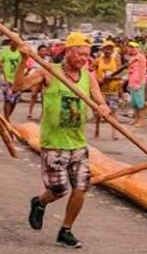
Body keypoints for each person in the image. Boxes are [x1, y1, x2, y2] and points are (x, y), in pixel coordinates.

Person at [14, 32, 110, 248]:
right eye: (80, 54)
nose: (84, 59)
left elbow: (101, 102)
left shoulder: (88, 77)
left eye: (87, 55)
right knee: (58, 189)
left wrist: (103, 107)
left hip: (78, 143)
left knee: (81, 188)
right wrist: (22, 61)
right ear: (68, 52)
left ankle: (65, 231)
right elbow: (17, 87)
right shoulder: (49, 72)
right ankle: (39, 202)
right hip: (54, 143)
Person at [94, 41, 122, 140]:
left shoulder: (116, 60)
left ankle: (114, 133)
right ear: (103, 50)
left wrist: (111, 78)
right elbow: (92, 73)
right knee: (98, 112)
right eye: (106, 49)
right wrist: (99, 80)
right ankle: (97, 129)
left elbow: (120, 75)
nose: (108, 51)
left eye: (110, 49)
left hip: (113, 90)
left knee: (113, 112)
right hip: (101, 90)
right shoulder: (98, 61)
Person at [0, 41, 22, 120]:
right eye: (12, 41)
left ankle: (8, 117)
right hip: (7, 79)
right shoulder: (5, 51)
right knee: (8, 99)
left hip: (17, 79)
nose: (14, 43)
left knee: (14, 100)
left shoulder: (20, 52)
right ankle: (7, 119)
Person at [27, 45, 52, 120]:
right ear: (38, 51)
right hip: (36, 79)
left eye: (45, 50)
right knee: (33, 95)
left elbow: (51, 69)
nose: (44, 52)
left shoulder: (48, 59)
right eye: (42, 50)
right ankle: (30, 112)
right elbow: (29, 68)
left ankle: (43, 114)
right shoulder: (34, 59)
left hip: (45, 79)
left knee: (44, 97)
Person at [127, 41, 147, 126]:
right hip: (132, 82)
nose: (131, 49)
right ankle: (136, 119)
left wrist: (140, 82)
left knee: (140, 103)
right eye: (130, 47)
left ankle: (142, 120)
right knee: (134, 103)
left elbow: (142, 71)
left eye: (133, 47)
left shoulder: (140, 57)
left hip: (138, 83)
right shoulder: (131, 58)